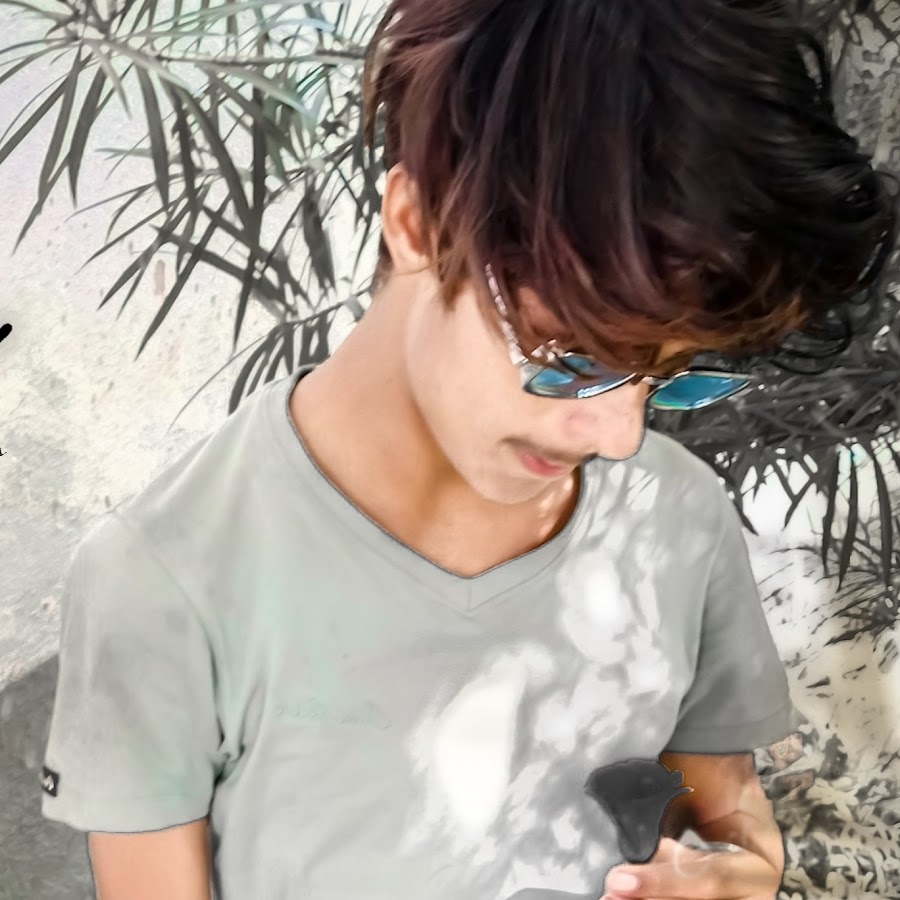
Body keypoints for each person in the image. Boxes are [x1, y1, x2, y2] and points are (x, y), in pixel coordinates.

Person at [40, 0, 897, 898]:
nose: (621, 436)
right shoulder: (164, 580)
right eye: (574, 360)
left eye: (676, 379)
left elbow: (722, 818)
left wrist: (732, 873)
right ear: (417, 223)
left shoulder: (679, 511)